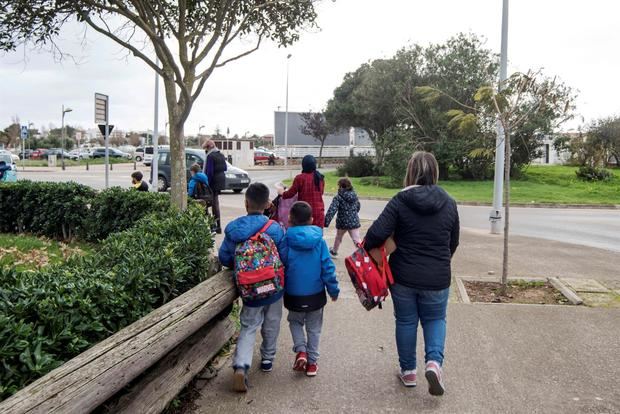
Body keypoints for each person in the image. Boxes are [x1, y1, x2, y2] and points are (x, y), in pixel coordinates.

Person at [364, 151, 459, 396]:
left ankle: (408, 372)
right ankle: (434, 363)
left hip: (403, 275)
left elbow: (374, 235)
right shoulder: (449, 202)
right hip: (438, 276)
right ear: (435, 172)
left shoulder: (400, 200)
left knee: (406, 321)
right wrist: (440, 261)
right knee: (435, 319)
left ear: (410, 172)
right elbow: (453, 242)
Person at [218, 182, 288, 393]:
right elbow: (284, 257)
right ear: (267, 204)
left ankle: (241, 365)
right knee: (272, 322)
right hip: (273, 289)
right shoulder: (274, 229)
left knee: (248, 326)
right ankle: (267, 359)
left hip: (249, 290)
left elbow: (224, 257)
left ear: (246, 203)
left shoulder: (234, 229)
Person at [282, 201, 339, 377]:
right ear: (312, 219)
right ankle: (312, 363)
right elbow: (327, 267)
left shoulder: (285, 240)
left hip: (293, 294)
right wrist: (333, 290)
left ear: (290, 219)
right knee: (314, 328)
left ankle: (301, 350)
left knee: (295, 321)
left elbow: (281, 265)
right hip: (315, 295)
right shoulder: (319, 241)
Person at [278, 155, 325, 229]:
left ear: (303, 165)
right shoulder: (320, 177)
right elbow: (321, 193)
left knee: (304, 237)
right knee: (317, 237)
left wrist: (282, 193)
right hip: (319, 213)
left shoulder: (300, 178)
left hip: (304, 213)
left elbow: (290, 193)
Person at [324, 177, 362, 256]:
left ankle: (334, 251)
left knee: (338, 237)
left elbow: (332, 210)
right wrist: (353, 214)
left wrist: (326, 222)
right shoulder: (354, 195)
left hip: (342, 222)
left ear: (341, 186)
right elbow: (358, 206)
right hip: (354, 221)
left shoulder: (338, 197)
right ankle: (363, 253)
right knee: (356, 239)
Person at [202, 139, 227, 233]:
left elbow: (209, 172)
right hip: (221, 180)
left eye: (206, 149)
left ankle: (214, 225)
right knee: (215, 203)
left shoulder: (210, 156)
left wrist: (206, 183)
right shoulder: (221, 155)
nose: (205, 152)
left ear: (209, 147)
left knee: (212, 204)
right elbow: (225, 167)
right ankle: (218, 226)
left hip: (213, 182)